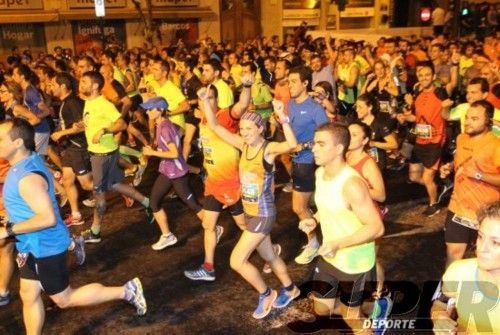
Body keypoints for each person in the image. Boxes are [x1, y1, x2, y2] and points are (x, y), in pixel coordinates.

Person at [0, 118, 146, 335]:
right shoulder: (26, 162)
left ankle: (127, 291)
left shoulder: (26, 178)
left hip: (44, 247)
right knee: (28, 294)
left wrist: (8, 230)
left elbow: (47, 218)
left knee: (64, 299)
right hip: (31, 244)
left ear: (18, 142)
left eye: (1, 138)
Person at [202, 85, 300, 319]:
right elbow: (214, 125)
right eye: (242, 128)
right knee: (269, 256)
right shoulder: (242, 145)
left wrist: (283, 118)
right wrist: (206, 100)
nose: (244, 132)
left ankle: (266, 293)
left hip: (263, 214)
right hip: (250, 212)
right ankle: (291, 289)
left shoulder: (268, 149)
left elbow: (292, 145)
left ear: (260, 129)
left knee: (236, 261)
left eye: (248, 128)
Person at [300, 122, 384, 330]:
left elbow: (377, 228)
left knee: (351, 316)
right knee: (321, 308)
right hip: (331, 255)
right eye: (314, 143)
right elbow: (329, 204)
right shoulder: (321, 173)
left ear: (338, 149)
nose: (313, 148)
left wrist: (339, 243)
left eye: (321, 144)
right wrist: (315, 219)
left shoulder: (352, 185)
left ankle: (372, 310)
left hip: (354, 263)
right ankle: (371, 305)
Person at [183, 77, 252, 282]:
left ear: (217, 100)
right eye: (204, 98)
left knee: (245, 227)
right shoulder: (203, 120)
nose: (207, 101)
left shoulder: (223, 116)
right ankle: (208, 267)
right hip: (214, 184)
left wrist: (246, 87)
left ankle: (269, 251)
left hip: (232, 185)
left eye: (211, 98)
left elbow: (241, 106)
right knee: (208, 225)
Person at [78, 71, 152, 243]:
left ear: (95, 86)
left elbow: (122, 123)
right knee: (115, 184)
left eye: (84, 81)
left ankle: (95, 232)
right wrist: (85, 126)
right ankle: (148, 202)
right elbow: (97, 123)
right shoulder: (90, 102)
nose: (81, 84)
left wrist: (105, 130)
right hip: (108, 153)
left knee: (100, 198)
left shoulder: (103, 104)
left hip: (101, 156)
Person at [440, 100, 500, 267]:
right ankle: (448, 291)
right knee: (453, 255)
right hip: (458, 207)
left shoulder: (496, 145)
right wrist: (449, 167)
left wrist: (479, 175)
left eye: (474, 119)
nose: (467, 122)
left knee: (483, 258)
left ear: (487, 120)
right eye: (467, 118)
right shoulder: (461, 138)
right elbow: (460, 160)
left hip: (485, 213)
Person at [140, 97, 204, 250]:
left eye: (150, 109)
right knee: (154, 202)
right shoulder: (164, 124)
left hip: (177, 173)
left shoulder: (164, 127)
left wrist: (153, 152)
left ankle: (213, 227)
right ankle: (167, 236)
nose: (147, 112)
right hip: (167, 171)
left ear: (160, 110)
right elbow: (180, 131)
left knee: (193, 205)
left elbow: (175, 153)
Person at [431, 201, 500, 334]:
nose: (481, 248)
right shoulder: (459, 271)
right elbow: (441, 304)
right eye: (480, 237)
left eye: (496, 243)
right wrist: (439, 317)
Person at [287, 66, 329, 265]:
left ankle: (313, 244)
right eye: (288, 81)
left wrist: (303, 146)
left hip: (307, 162)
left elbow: (326, 137)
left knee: (299, 207)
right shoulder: (290, 104)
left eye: (294, 81)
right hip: (296, 161)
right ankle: (326, 233)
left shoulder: (315, 108)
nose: (290, 85)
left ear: (305, 83)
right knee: (315, 202)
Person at [50, 72, 93, 227]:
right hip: (70, 147)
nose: (50, 87)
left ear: (62, 86)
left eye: (53, 85)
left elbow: (82, 125)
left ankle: (120, 188)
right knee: (67, 180)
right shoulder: (65, 102)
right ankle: (76, 215)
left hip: (78, 147)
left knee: (87, 185)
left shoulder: (72, 103)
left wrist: (61, 133)